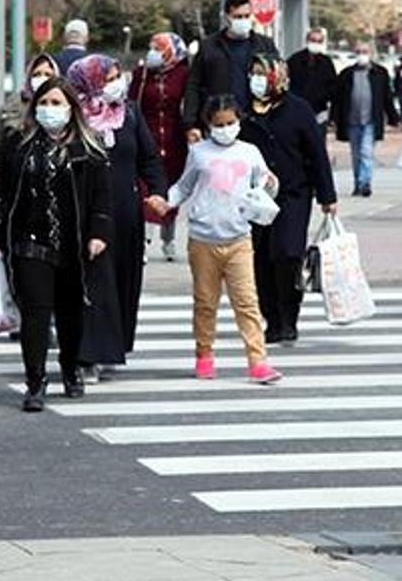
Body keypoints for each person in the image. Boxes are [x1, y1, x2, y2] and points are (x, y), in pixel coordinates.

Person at [0, 76, 117, 411]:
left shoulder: (89, 149)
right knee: (36, 314)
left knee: (70, 313)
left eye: (56, 103)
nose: (49, 110)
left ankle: (71, 370)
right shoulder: (20, 147)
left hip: (74, 244)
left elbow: (102, 198)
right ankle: (35, 382)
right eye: (43, 103)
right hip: (30, 242)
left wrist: (99, 233)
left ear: (71, 108)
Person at [168, 95, 283, 383]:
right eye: (219, 124)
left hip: (239, 238)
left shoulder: (250, 152)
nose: (225, 128)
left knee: (247, 301)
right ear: (208, 125)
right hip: (203, 238)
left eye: (231, 122)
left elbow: (266, 185)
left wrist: (271, 184)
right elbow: (184, 186)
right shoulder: (199, 153)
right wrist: (164, 202)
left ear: (239, 121)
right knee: (206, 302)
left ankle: (258, 360)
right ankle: (204, 354)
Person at [68, 55, 169, 380]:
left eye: (116, 76)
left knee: (124, 280)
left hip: (127, 211)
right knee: (96, 282)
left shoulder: (130, 115)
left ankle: (116, 346)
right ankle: (89, 355)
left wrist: (157, 191)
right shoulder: (75, 119)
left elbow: (149, 158)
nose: (116, 82)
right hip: (89, 213)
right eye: (108, 77)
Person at [241, 56, 338, 344]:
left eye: (262, 73)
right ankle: (271, 317)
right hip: (257, 198)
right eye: (253, 73)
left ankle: (289, 316)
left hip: (293, 194)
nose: (256, 79)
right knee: (261, 258)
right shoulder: (246, 111)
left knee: (287, 254)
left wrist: (327, 195)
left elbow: (317, 155)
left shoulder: (299, 110)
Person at [0, 54, 60, 212]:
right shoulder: (12, 107)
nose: (42, 78)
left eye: (47, 74)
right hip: (13, 194)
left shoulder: (64, 109)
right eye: (36, 74)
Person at [183, 0, 280, 144]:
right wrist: (191, 124)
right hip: (220, 124)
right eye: (238, 17)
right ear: (227, 17)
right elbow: (193, 85)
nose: (243, 21)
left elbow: (277, 83)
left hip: (258, 123)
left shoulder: (264, 45)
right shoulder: (209, 47)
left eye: (247, 16)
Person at [131, 33, 190, 262]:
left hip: (174, 140)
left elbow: (189, 101)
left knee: (171, 188)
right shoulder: (142, 74)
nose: (153, 52)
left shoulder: (183, 74)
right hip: (147, 137)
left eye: (159, 48)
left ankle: (169, 239)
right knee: (145, 189)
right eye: (152, 47)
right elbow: (132, 101)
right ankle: (144, 241)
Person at [331, 41, 400, 197]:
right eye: (359, 51)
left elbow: (387, 97)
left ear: (370, 53)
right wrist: (333, 118)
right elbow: (338, 99)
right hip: (352, 120)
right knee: (356, 154)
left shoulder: (379, 73)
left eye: (365, 51)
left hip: (371, 120)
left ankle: (365, 182)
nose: (362, 54)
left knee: (366, 152)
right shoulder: (347, 74)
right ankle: (358, 183)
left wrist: (394, 117)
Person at [286, 27, 338, 131]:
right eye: (313, 40)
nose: (316, 43)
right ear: (307, 40)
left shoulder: (326, 62)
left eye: (319, 41)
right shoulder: (295, 60)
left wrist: (332, 115)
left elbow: (333, 88)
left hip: (319, 112)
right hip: (297, 110)